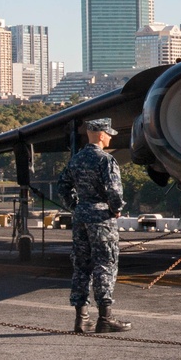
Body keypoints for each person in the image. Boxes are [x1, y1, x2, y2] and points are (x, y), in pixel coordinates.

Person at [58, 118, 132, 333]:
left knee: (82, 267)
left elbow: (63, 186)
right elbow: (114, 191)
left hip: (81, 216)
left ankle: (81, 319)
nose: (110, 137)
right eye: (108, 134)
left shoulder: (76, 160)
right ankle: (105, 318)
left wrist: (75, 206)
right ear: (101, 135)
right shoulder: (106, 160)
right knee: (105, 264)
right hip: (101, 217)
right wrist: (116, 208)